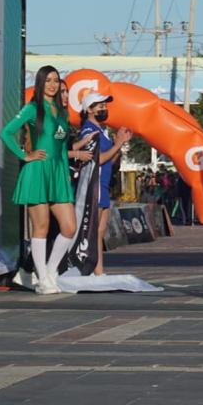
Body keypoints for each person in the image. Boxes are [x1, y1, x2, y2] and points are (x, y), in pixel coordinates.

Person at [1, 66, 91, 294]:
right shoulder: (32, 108)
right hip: (38, 171)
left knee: (69, 227)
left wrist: (65, 171)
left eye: (56, 80)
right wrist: (24, 155)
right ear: (40, 83)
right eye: (48, 80)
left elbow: (61, 147)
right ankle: (42, 279)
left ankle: (51, 272)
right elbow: (6, 133)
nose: (52, 85)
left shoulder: (61, 112)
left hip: (58, 173)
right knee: (40, 227)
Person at [78, 91, 133, 276]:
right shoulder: (89, 131)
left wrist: (120, 143)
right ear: (89, 110)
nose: (104, 108)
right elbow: (97, 160)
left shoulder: (102, 131)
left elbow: (112, 160)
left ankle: (99, 270)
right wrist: (117, 145)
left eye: (105, 105)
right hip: (95, 183)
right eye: (100, 106)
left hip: (104, 184)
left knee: (100, 231)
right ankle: (92, 269)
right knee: (93, 231)